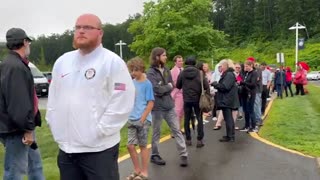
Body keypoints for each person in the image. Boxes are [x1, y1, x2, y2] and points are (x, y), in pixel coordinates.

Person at [46, 14, 135, 180]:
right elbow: (54, 98)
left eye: (87, 27)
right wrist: (53, 123)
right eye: (78, 27)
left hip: (99, 150)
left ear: (100, 33)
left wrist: (100, 130)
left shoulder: (111, 62)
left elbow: (122, 100)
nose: (81, 31)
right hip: (67, 151)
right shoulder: (63, 62)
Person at [0, 28, 44, 179]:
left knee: (35, 166)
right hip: (17, 130)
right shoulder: (15, 67)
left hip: (19, 126)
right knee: (14, 172)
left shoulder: (11, 63)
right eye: (28, 42)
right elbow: (18, 102)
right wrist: (27, 129)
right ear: (24, 42)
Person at [147, 47, 188, 167]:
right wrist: (167, 87)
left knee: (177, 130)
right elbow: (156, 89)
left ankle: (184, 154)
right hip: (157, 108)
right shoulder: (150, 72)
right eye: (164, 55)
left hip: (169, 105)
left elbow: (173, 84)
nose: (166, 57)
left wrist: (165, 87)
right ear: (157, 57)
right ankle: (155, 155)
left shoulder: (166, 70)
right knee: (156, 132)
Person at [126, 57, 154, 180]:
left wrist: (143, 119)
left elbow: (151, 103)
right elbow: (119, 90)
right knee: (130, 145)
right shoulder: (131, 83)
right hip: (132, 118)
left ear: (141, 69)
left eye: (135, 70)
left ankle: (144, 172)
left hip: (143, 119)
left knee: (143, 145)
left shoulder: (147, 84)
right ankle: (137, 170)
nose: (133, 73)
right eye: (131, 70)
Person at [176, 56, 208, 147]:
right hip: (197, 99)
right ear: (195, 63)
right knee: (199, 118)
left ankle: (188, 139)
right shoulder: (200, 73)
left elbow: (178, 86)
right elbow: (206, 86)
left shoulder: (182, 73)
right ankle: (199, 140)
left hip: (186, 99)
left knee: (187, 118)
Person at [211, 59, 239, 142]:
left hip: (227, 99)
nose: (220, 68)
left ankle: (231, 136)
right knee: (227, 118)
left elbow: (225, 87)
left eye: (221, 66)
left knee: (228, 118)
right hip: (227, 99)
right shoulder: (227, 74)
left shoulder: (229, 75)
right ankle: (229, 135)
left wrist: (216, 84)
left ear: (225, 66)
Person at [239, 60, 258, 133]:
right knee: (245, 110)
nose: (245, 67)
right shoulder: (246, 73)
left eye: (247, 66)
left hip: (250, 94)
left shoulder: (254, 73)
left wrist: (243, 82)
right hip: (244, 93)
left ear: (251, 66)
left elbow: (253, 84)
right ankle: (246, 125)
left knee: (250, 110)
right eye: (245, 66)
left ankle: (253, 126)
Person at [171, 55, 184, 131]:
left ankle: (179, 128)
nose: (181, 62)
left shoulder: (183, 69)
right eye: (179, 61)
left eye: (181, 61)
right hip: (177, 93)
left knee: (182, 112)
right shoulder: (173, 71)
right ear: (175, 62)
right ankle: (175, 130)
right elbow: (173, 83)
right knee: (177, 112)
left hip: (183, 93)